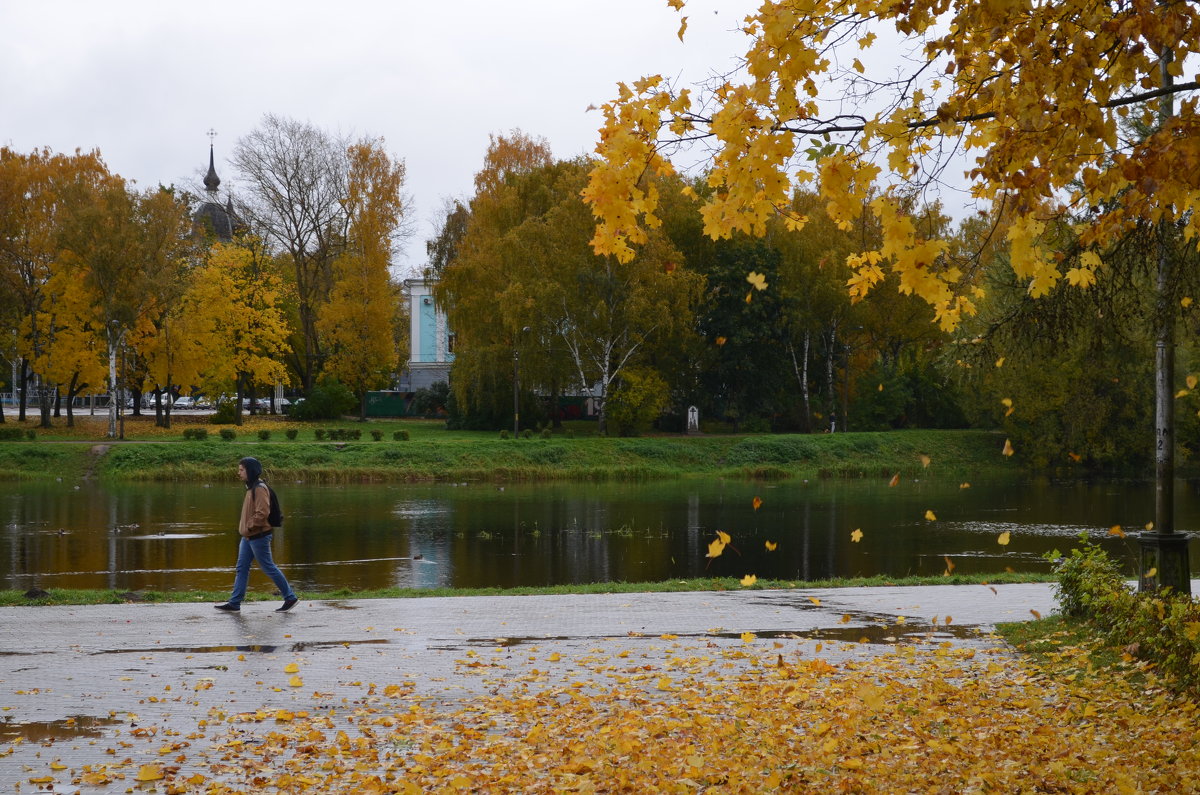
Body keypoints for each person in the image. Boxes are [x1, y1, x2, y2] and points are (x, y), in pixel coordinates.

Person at [214, 457, 298, 613]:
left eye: (241, 470)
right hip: (248, 537)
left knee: (268, 567)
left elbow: (262, 512)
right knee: (242, 568)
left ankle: (290, 597)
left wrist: (249, 526)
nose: (238, 473)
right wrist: (246, 529)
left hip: (258, 536)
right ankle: (234, 603)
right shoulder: (250, 487)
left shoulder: (259, 488)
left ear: (250, 471)